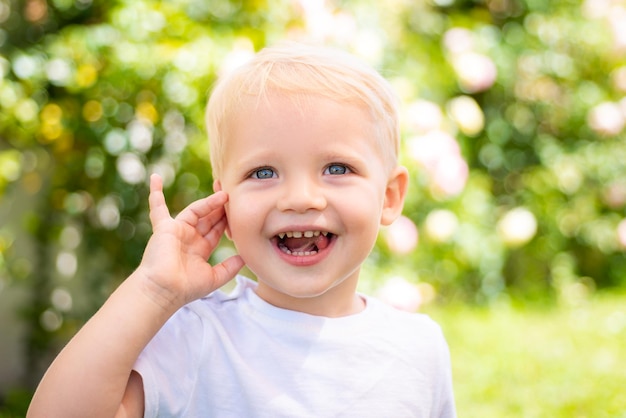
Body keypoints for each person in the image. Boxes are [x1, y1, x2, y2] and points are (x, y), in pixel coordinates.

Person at [27, 41, 456, 418]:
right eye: (264, 171)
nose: (300, 198)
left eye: (336, 168)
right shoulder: (197, 337)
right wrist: (153, 290)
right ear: (224, 205)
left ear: (389, 196)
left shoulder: (419, 349)